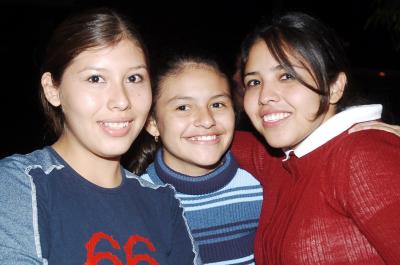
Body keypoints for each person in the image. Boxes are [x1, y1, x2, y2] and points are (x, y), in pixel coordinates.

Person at [0, 8, 199, 265]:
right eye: (95, 78)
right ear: (53, 89)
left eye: (134, 78)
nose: (121, 100)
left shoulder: (163, 203)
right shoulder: (21, 185)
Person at [239, 11, 400, 264]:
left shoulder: (363, 155)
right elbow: (214, 135)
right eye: (254, 82)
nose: (264, 96)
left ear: (334, 87)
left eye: (287, 76)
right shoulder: (280, 159)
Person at [129, 53, 263, 264]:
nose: (206, 120)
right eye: (183, 107)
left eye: (217, 104)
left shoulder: (262, 182)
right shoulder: (138, 200)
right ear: (152, 123)